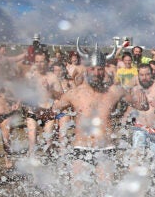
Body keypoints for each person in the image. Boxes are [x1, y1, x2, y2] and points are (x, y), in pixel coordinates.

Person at [53, 45, 149, 184]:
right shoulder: (74, 93)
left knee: (106, 193)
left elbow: (139, 105)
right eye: (92, 69)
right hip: (81, 147)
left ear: (104, 70)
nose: (96, 73)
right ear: (87, 70)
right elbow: (54, 110)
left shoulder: (114, 91)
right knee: (77, 194)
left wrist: (143, 103)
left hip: (105, 148)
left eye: (100, 69)